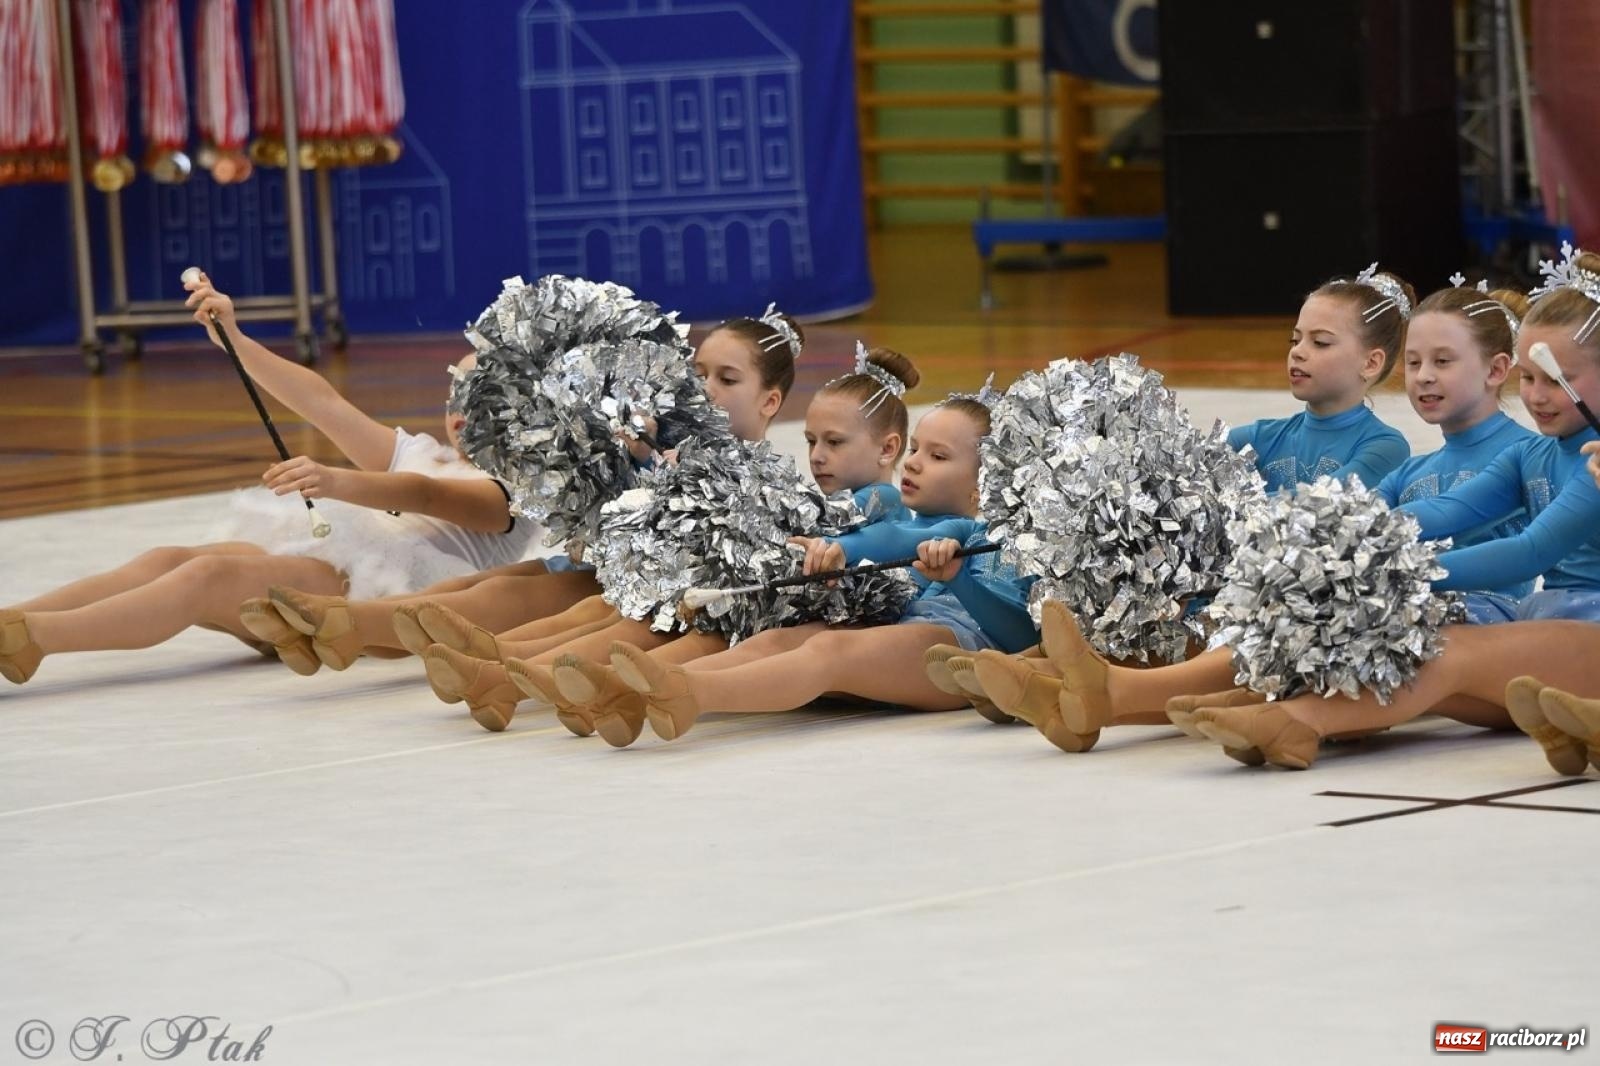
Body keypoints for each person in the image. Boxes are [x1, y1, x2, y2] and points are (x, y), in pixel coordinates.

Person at [0, 274, 534, 684]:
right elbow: (320, 401)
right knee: (168, 559)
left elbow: (424, 495)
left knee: (203, 579)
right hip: (320, 564)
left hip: (366, 592)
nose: (458, 413)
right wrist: (233, 339)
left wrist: (336, 481)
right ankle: (16, 619)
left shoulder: (512, 493)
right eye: (454, 395)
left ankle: (35, 640)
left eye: (480, 399)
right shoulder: (424, 453)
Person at [253, 309, 805, 672]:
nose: (704, 386)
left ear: (770, 402)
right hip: (589, 571)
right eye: (698, 370)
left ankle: (341, 623)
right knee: (485, 583)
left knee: (487, 600)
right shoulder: (654, 437)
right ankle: (347, 632)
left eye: (727, 379)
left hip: (626, 592)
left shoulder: (759, 476)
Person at [435, 346, 921, 737]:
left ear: (888, 449)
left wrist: (829, 551)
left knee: (652, 634)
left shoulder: (880, 501)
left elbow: (874, 546)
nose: (817, 455)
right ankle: (515, 676)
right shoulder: (817, 494)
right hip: (747, 611)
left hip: (776, 622)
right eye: (812, 441)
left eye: (833, 443)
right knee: (634, 627)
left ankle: (528, 682)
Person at [594, 393, 1038, 747]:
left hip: (963, 650)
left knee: (829, 653)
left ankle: (689, 693)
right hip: (903, 637)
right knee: (781, 639)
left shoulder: (992, 536)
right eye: (917, 449)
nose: (915, 462)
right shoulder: (936, 523)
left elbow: (1021, 636)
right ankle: (628, 694)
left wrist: (956, 578)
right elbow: (890, 542)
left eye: (938, 457)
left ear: (986, 482)